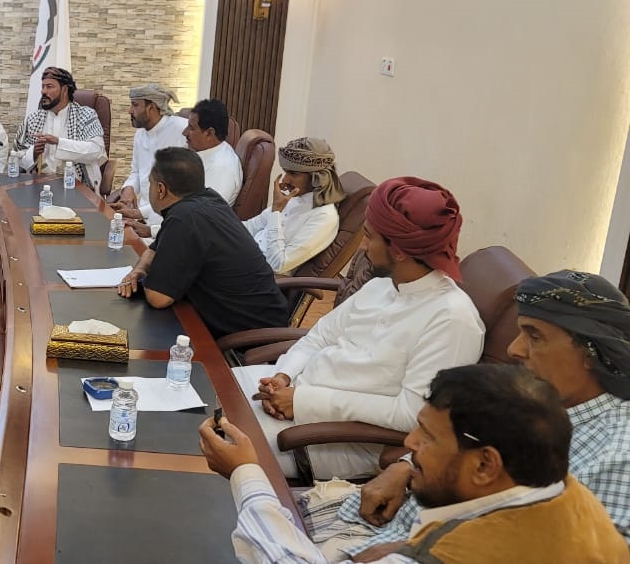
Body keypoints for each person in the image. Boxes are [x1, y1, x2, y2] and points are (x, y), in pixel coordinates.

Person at [309, 270, 630, 559]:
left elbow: (580, 552)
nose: (514, 350)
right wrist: (404, 466)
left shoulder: (619, 453)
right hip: (374, 525)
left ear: (591, 351)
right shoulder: (535, 399)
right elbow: (458, 433)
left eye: (534, 336)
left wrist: (413, 550)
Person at [199, 363, 626, 563]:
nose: (409, 443)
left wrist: (245, 473)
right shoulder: (567, 498)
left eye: (428, 436)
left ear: (485, 465)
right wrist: (409, 545)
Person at [233, 177, 485, 480]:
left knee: (209, 437)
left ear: (399, 251)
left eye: (369, 237)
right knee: (205, 389)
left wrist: (302, 401)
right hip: (292, 395)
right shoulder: (382, 286)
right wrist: (283, 376)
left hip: (327, 439)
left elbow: (411, 414)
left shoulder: (452, 319)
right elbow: (320, 336)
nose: (362, 247)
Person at [115, 147, 287, 338]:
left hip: (250, 336)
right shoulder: (208, 200)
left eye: (151, 184)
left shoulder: (184, 218)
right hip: (264, 318)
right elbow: (154, 250)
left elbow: (158, 298)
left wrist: (149, 278)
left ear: (161, 190)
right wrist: (140, 270)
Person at [243, 137, 346, 275]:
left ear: (316, 177)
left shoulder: (324, 216)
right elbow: (250, 227)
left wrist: (276, 212)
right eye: (286, 172)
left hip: (255, 274)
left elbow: (278, 265)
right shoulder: (294, 198)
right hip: (242, 255)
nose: (285, 180)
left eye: (293, 174)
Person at [106, 83, 189, 238]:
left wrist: (141, 215)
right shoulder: (140, 133)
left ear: (151, 107)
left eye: (135, 105)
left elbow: (185, 191)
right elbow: (136, 172)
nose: (129, 110)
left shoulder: (183, 131)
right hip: (142, 216)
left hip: (167, 222)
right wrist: (129, 188)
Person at [15, 66, 106, 190]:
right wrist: (33, 153)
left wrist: (58, 142)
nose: (43, 91)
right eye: (43, 86)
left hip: (77, 186)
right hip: (39, 187)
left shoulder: (86, 115)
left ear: (64, 90)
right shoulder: (33, 119)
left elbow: (96, 150)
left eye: (49, 86)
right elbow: (17, 158)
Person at [181, 99, 242, 205]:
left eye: (191, 128)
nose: (184, 132)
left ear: (209, 133)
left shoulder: (221, 170)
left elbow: (202, 212)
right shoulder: (201, 151)